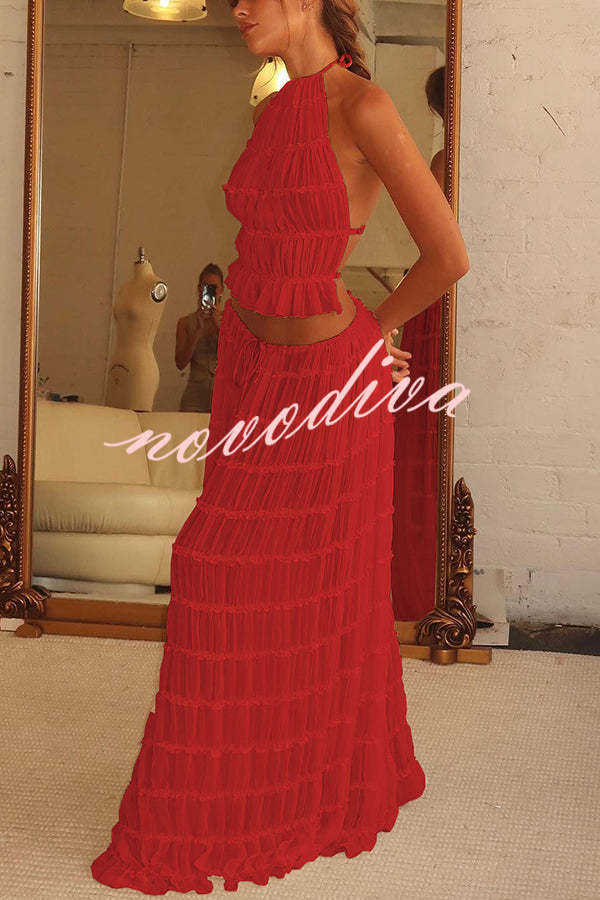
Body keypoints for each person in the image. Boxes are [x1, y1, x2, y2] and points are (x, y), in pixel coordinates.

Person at [91, 1, 469, 893]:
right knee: (233, 570)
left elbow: (447, 255)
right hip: (250, 372)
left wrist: (373, 333)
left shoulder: (363, 105)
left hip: (326, 384)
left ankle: (292, 789)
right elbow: (259, 249)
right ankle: (246, 786)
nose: (237, 7)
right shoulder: (273, 106)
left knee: (248, 576)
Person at [176, 263, 224, 413]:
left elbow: (238, 358)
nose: (210, 292)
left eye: (214, 288)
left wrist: (219, 326)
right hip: (194, 399)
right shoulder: (185, 323)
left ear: (221, 290)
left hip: (222, 398)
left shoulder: (231, 322)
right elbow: (180, 363)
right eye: (206, 287)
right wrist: (198, 331)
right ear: (199, 289)